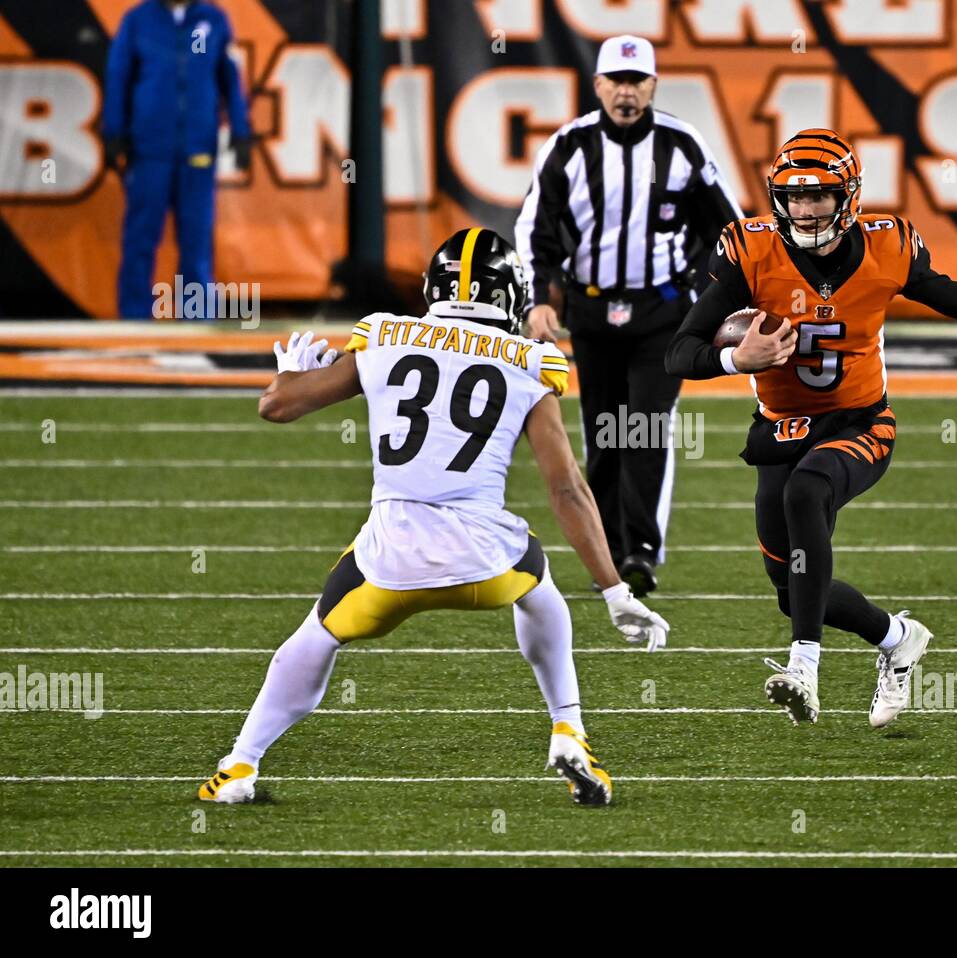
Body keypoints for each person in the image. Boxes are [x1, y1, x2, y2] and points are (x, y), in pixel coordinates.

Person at [198, 228, 669, 807]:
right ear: (510, 297)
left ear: (432, 289)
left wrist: (292, 372)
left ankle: (239, 764)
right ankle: (568, 728)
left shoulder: (383, 336)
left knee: (316, 634)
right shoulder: (530, 361)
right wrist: (614, 589)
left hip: (386, 562)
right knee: (539, 582)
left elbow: (276, 406)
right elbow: (567, 488)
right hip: (485, 564)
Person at [665, 129, 957, 728]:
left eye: (819, 196)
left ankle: (805, 668)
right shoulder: (750, 253)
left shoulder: (886, 247)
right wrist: (733, 361)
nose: (804, 209)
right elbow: (680, 351)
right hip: (779, 428)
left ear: (846, 198)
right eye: (793, 197)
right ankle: (897, 637)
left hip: (860, 423)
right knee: (789, 587)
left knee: (808, 490)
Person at [515, 34, 742, 596]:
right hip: (591, 309)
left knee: (644, 426)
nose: (625, 91)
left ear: (653, 86)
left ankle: (640, 549)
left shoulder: (683, 146)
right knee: (602, 430)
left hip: (662, 311)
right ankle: (609, 552)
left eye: (636, 81)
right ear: (597, 85)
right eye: (615, 80)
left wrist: (704, 295)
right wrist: (540, 298)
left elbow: (729, 229)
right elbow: (534, 229)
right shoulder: (568, 147)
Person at [102, 0, 251, 319]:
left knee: (196, 240)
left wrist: (240, 129)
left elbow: (229, 78)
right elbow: (119, 75)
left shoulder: (212, 19)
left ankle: (196, 320)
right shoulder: (139, 20)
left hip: (197, 149)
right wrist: (113, 130)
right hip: (149, 149)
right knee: (140, 238)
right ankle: (134, 317)